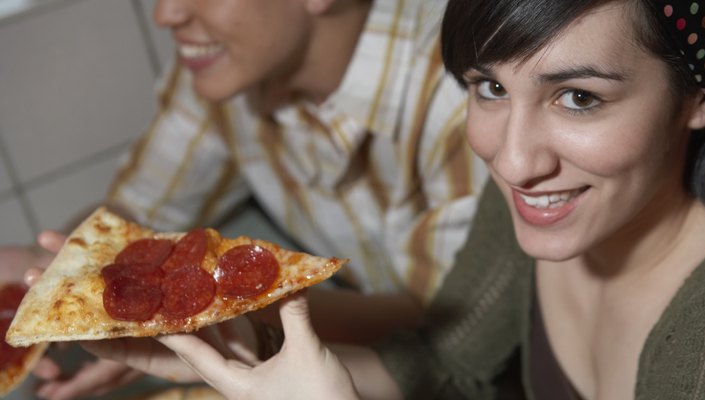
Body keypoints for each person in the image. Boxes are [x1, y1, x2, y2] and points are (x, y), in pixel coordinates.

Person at [71, 0, 705, 398]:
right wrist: (237, 346)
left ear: (698, 96)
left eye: (579, 98)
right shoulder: (550, 203)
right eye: (489, 88)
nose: (513, 160)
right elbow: (444, 368)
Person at [8, 0, 487, 399]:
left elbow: (447, 323)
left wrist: (228, 319)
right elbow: (138, 210)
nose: (165, 13)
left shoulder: (468, 93)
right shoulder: (230, 62)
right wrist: (44, 275)